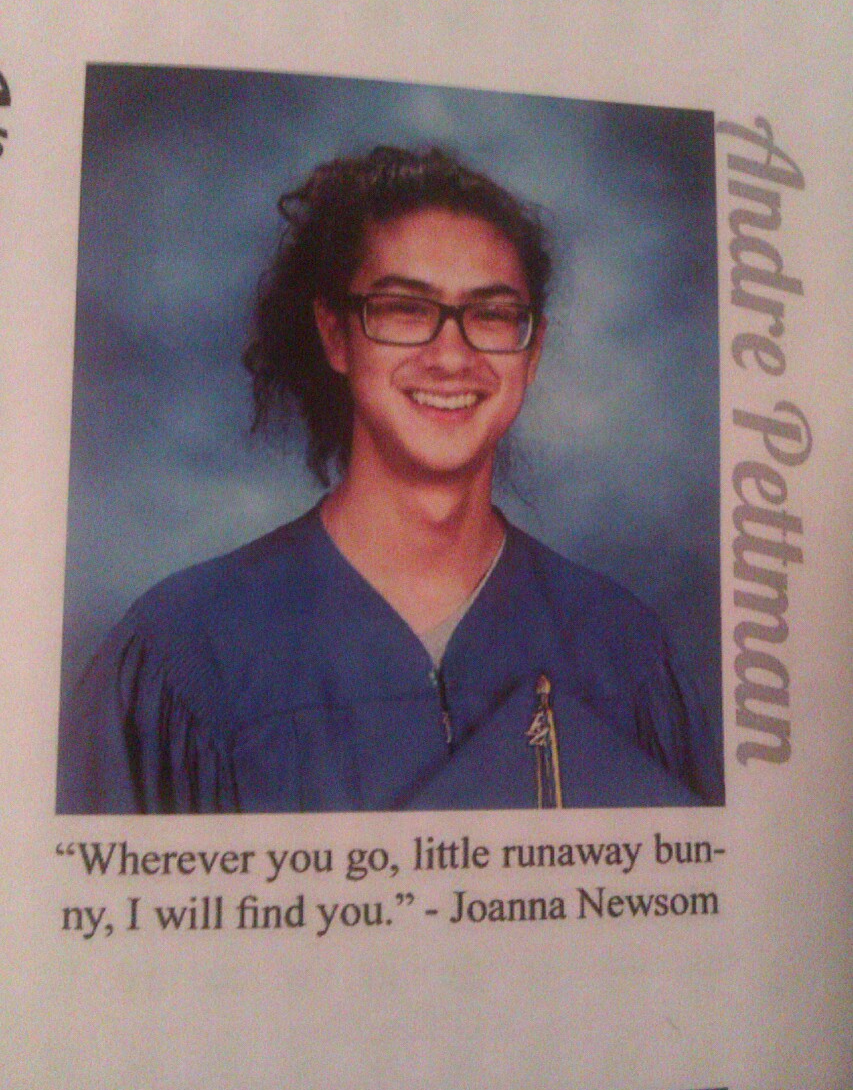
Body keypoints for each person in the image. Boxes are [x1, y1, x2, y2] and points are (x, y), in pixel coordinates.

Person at [57, 146, 723, 813]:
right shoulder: (187, 657)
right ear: (335, 335)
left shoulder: (622, 652)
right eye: (405, 309)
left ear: (532, 350)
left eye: (491, 315)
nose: (451, 356)